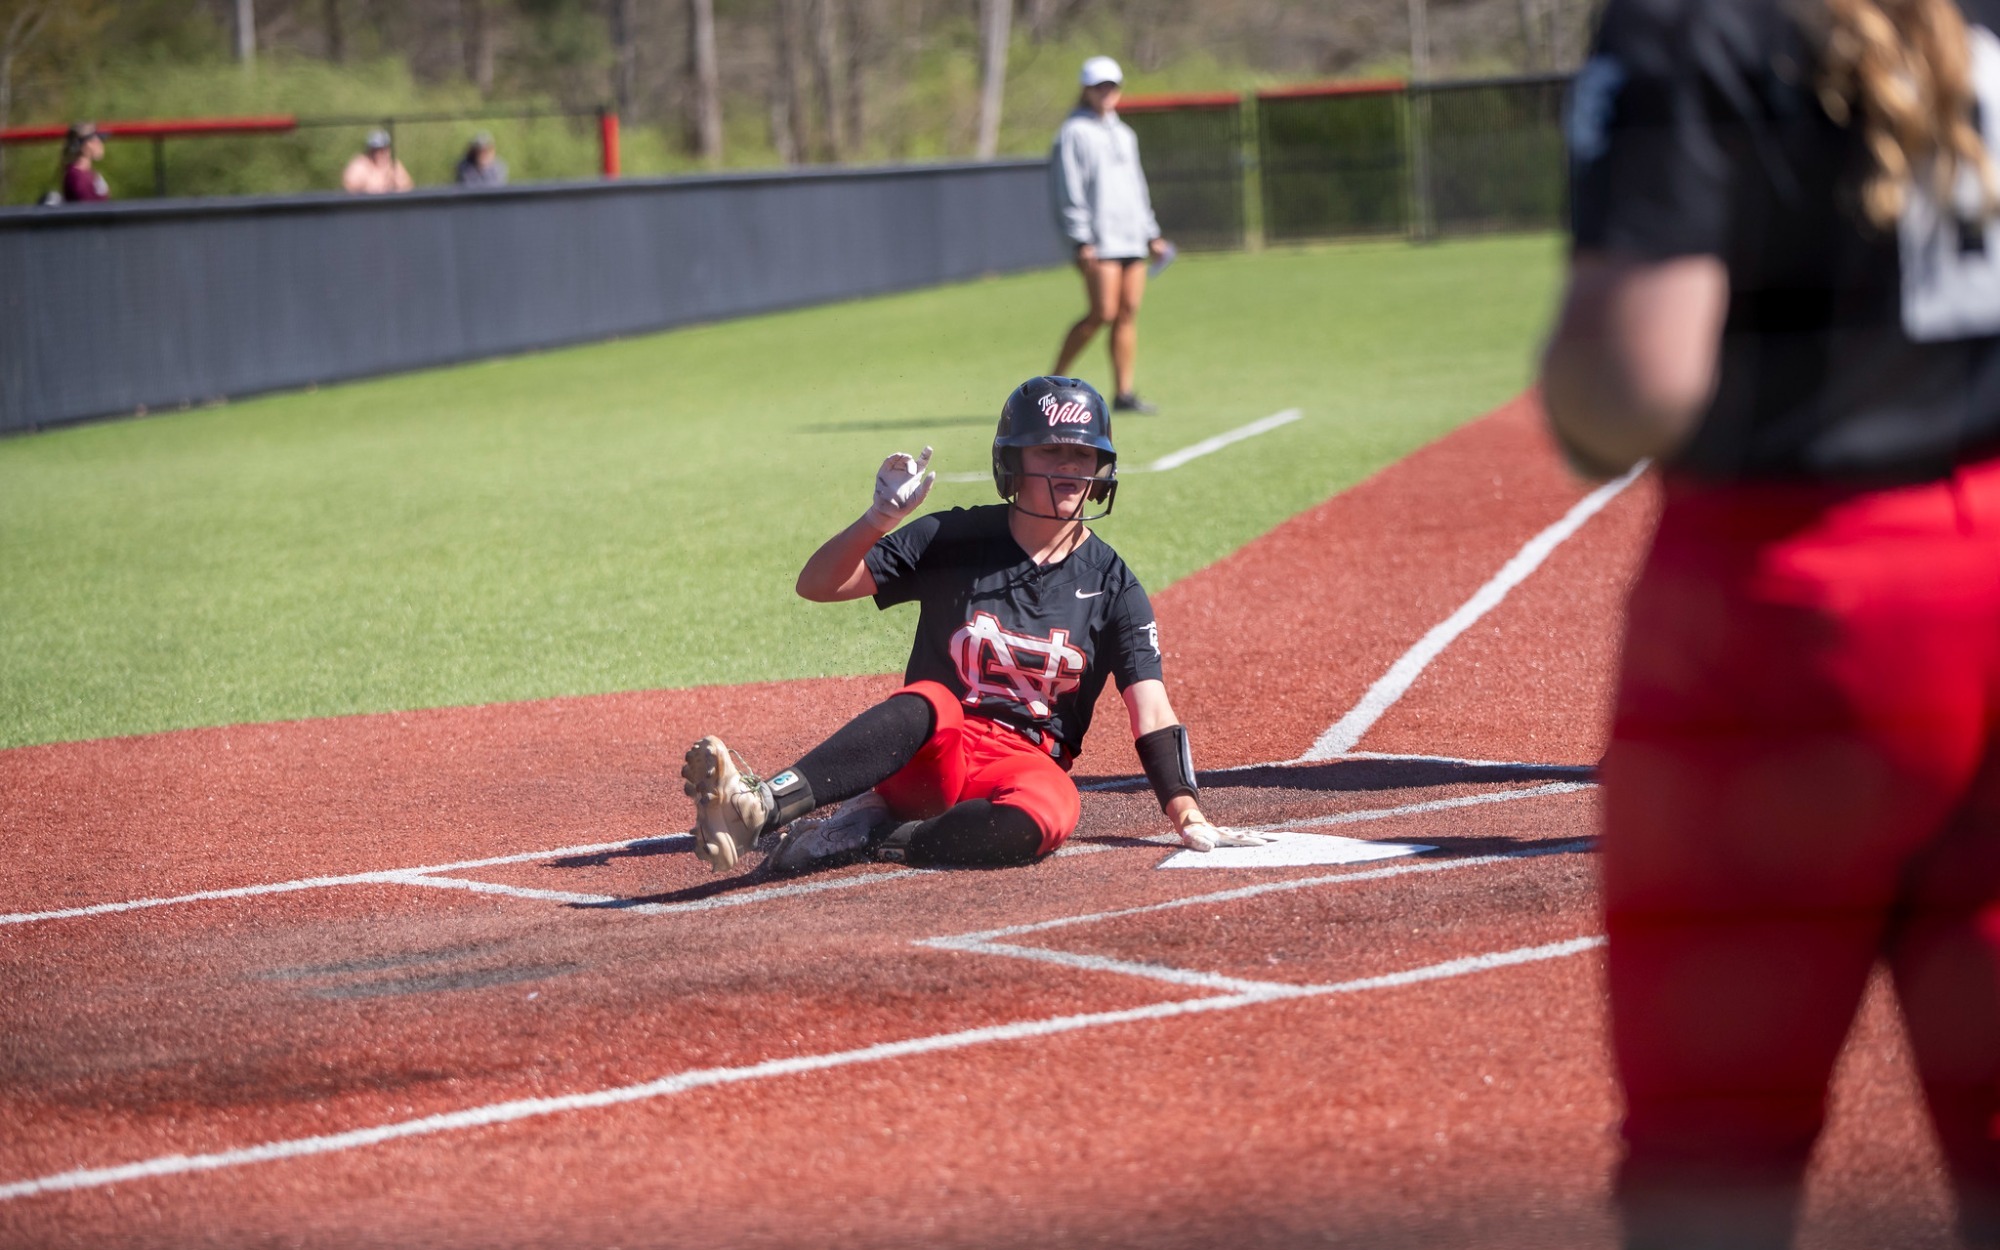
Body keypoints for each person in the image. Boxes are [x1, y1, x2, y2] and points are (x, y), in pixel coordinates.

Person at [1539, 0, 2000, 1246]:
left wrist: (1569, 372)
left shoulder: (1699, 20)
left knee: (1712, 1159)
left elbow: (1636, 381)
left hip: (1795, 605)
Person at [679, 376, 1271, 874]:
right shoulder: (952, 537)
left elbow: (1153, 712)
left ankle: (873, 835)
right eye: (1050, 452)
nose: (1069, 467)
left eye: (1083, 454)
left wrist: (1188, 812)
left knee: (1054, 811)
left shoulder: (1115, 584)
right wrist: (877, 518)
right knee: (932, 700)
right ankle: (758, 806)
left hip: (1026, 763)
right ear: (1012, 463)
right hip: (934, 752)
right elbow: (819, 585)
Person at [1050, 56, 1171, 416]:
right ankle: (1051, 385)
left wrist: (1152, 233)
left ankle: (1124, 392)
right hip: (1099, 240)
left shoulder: (1125, 134)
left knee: (1128, 312)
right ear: (1086, 90)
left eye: (1112, 86)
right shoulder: (1073, 133)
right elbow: (1067, 190)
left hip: (1132, 238)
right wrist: (1080, 239)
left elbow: (1137, 188)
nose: (1107, 93)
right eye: (1099, 86)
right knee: (1101, 312)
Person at [341, 130, 413, 195]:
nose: (380, 153)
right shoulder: (360, 164)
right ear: (370, 150)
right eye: (376, 150)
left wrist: (395, 185)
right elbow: (349, 188)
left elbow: (408, 187)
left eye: (384, 149)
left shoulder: (393, 165)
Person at [56, 123, 108, 204]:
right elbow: (89, 211)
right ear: (82, 145)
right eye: (94, 140)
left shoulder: (88, 173)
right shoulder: (77, 178)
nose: (100, 144)